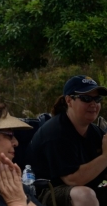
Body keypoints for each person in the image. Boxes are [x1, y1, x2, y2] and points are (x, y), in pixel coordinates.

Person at [30, 75, 107, 206]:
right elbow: (73, 179)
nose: (93, 104)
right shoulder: (56, 132)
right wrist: (105, 157)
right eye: (86, 98)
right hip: (45, 193)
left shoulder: (96, 132)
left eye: (97, 99)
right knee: (84, 196)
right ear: (69, 100)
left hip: (83, 189)